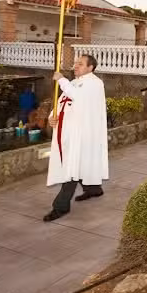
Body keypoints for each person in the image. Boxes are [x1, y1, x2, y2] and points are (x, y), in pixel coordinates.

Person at [44, 54, 108, 222]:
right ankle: (94, 190)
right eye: (76, 63)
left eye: (80, 64)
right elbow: (61, 102)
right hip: (68, 133)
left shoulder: (95, 83)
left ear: (90, 68)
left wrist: (61, 80)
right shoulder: (73, 83)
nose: (76, 66)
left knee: (72, 169)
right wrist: (52, 117)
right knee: (78, 165)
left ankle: (61, 207)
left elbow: (78, 97)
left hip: (83, 135)